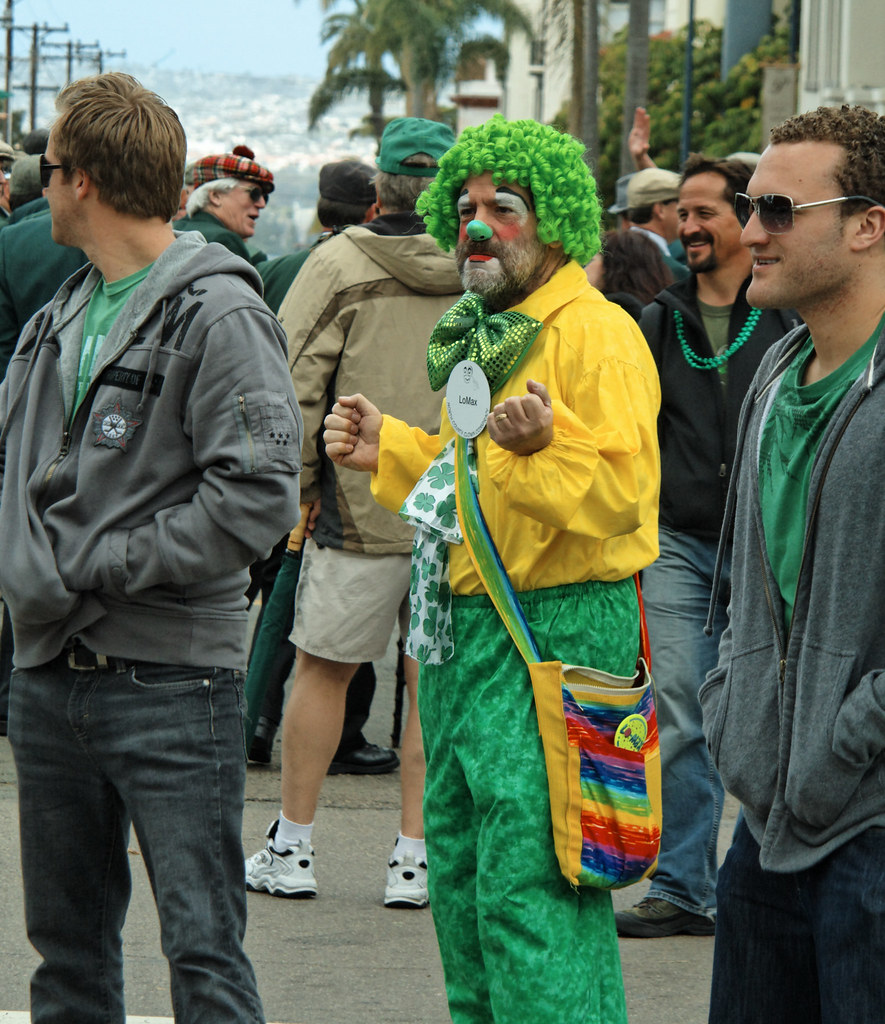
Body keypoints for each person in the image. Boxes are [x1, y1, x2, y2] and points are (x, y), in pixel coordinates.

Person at [323, 114, 660, 1024]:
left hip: (553, 631)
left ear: (553, 223)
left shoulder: (597, 335)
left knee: (534, 888)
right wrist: (389, 447)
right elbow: (472, 472)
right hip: (467, 640)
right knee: (466, 884)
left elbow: (624, 495)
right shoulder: (488, 330)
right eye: (465, 206)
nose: (476, 225)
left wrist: (547, 447)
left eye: (501, 207)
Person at [0, 72, 302, 1022]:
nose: (35, 187)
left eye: (45, 169)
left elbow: (257, 498)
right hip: (50, 675)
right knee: (67, 957)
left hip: (172, 681)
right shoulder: (61, 315)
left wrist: (85, 567)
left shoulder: (220, 312)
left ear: (80, 179)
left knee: (203, 951)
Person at [245, 116, 461, 909]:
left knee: (322, 669)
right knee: (428, 681)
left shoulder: (338, 261)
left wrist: (297, 486)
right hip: (459, 506)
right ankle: (415, 857)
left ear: (379, 185)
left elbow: (293, 379)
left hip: (355, 502)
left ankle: (293, 845)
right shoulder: (491, 268)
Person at [701, 104, 885, 1023]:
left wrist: (839, 749)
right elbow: (741, 591)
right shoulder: (773, 377)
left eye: (777, 209)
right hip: (765, 826)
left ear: (865, 225)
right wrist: (729, 706)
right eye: (748, 204)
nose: (748, 231)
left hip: (869, 828)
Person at [614, 155, 800, 940]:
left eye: (703, 212)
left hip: (767, 543)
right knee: (683, 714)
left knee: (767, 714)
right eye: (679, 213)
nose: (685, 226)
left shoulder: (786, 313)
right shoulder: (659, 320)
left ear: (746, 216)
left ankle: (772, 884)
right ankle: (685, 887)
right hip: (678, 545)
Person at [248, 158, 390, 770]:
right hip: (351, 462)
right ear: (372, 209)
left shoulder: (283, 267)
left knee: (283, 605)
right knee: (330, 625)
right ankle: (343, 736)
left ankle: (253, 723)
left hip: (297, 461)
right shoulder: (374, 268)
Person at [176, 145, 274, 265]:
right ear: (216, 196)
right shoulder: (224, 241)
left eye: (265, 197)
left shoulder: (175, 230)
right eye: (254, 193)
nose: (262, 204)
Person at [585, 228, 674, 318]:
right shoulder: (664, 310)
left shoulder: (609, 309)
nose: (584, 268)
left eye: (590, 260)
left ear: (611, 265)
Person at [627, 167, 690, 281]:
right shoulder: (668, 269)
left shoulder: (611, 253)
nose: (686, 215)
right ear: (660, 210)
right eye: (680, 206)